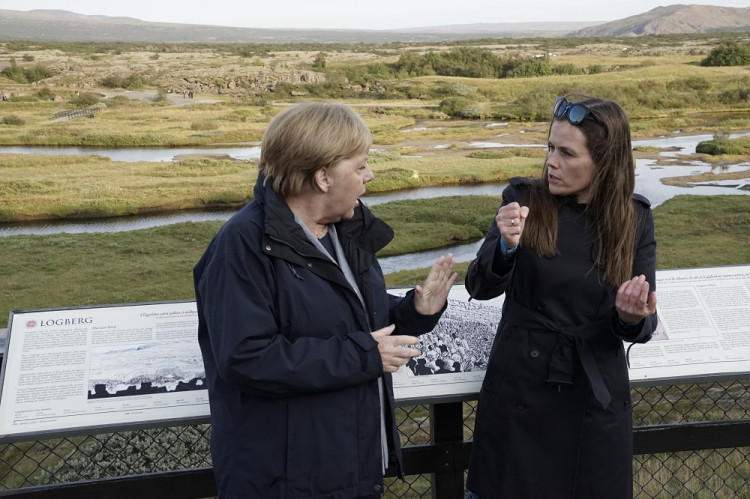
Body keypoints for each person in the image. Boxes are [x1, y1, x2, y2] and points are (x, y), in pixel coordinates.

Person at [194, 102, 458, 498]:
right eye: (360, 166)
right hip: (285, 481)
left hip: (348, 467)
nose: (370, 176)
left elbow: (350, 318)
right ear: (322, 177)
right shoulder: (242, 246)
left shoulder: (343, 231)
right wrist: (365, 356)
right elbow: (246, 358)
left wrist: (416, 312)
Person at [465, 96, 658, 498]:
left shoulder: (634, 217)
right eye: (550, 148)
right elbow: (480, 287)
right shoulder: (523, 199)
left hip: (594, 399)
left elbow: (643, 325)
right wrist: (505, 247)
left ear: (604, 162)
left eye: (567, 153)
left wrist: (631, 315)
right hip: (522, 391)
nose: (552, 161)